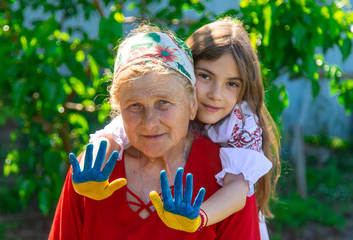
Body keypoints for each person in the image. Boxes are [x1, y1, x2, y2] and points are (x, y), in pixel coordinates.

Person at [49, 23, 261, 239]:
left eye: (163, 103)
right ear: (118, 108)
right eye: (134, 106)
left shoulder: (224, 177)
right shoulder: (92, 171)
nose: (149, 123)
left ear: (192, 105)